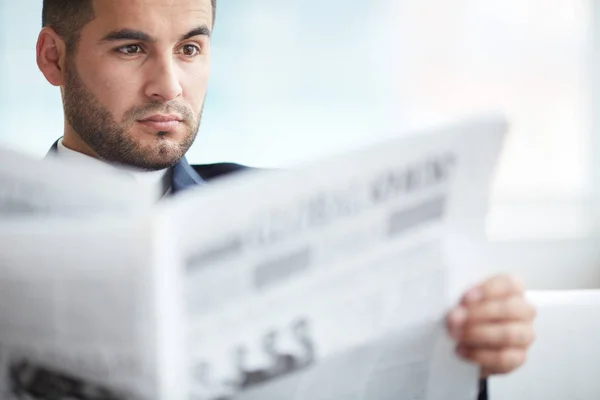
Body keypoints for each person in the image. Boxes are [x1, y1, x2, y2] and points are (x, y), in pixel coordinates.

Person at [35, 0, 536, 398]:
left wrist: (472, 338)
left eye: (189, 49)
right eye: (131, 49)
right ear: (53, 57)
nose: (168, 86)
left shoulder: (292, 210)